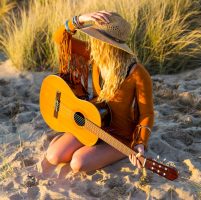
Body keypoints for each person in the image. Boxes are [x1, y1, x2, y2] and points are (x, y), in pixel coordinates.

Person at [44, 11, 154, 172]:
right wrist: (79, 20)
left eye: (96, 37)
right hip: (92, 121)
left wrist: (140, 143)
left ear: (108, 44)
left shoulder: (138, 74)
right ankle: (75, 138)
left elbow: (147, 114)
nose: (93, 41)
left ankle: (119, 151)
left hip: (118, 135)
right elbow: (60, 39)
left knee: (78, 163)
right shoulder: (96, 57)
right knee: (54, 156)